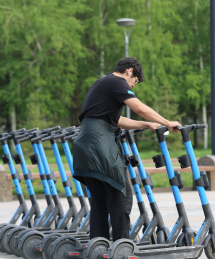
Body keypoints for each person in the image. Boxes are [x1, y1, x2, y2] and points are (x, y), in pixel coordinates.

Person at [73, 57, 181, 241]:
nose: (132, 87)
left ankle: (98, 246)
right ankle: (122, 246)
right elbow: (139, 107)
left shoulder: (101, 83)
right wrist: (167, 122)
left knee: (99, 201)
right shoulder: (117, 82)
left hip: (84, 144)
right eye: (135, 82)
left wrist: (148, 124)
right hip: (100, 144)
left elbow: (116, 121)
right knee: (122, 194)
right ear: (130, 71)